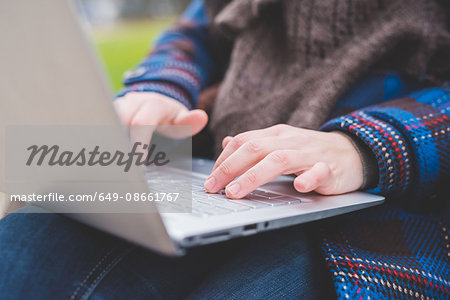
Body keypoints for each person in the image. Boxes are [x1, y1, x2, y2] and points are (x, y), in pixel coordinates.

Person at [1, 0, 449, 299]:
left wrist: (363, 146)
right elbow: (195, 32)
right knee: (19, 250)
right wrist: (160, 86)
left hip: (389, 212)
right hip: (217, 175)